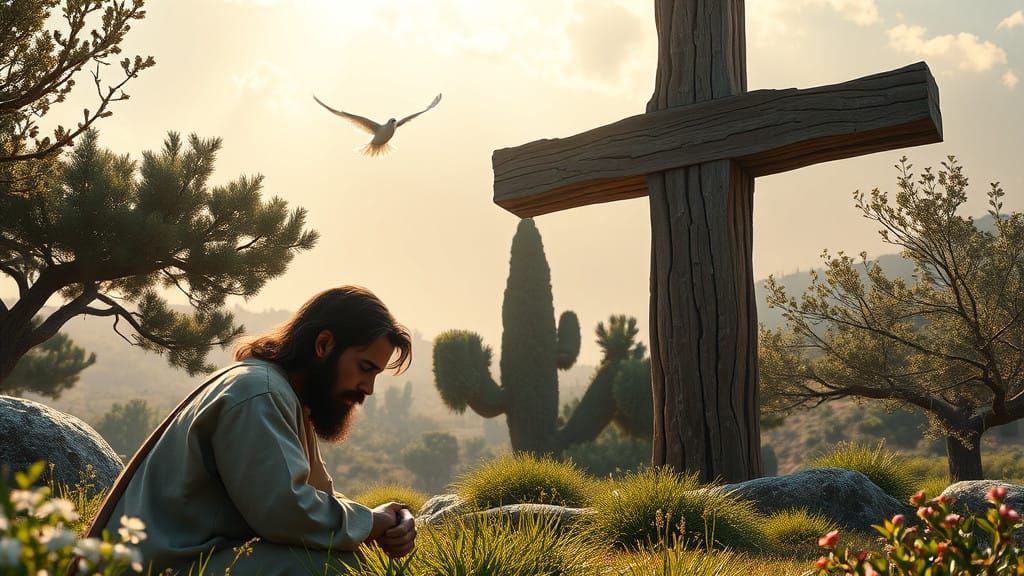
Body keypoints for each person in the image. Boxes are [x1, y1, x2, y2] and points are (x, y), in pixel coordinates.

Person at [93, 286, 417, 575]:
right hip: (159, 568)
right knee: (336, 569)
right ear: (323, 345)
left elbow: (315, 496)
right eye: (365, 368)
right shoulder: (258, 393)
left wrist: (377, 521)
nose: (369, 388)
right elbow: (285, 512)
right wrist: (371, 524)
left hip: (192, 561)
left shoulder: (284, 396)